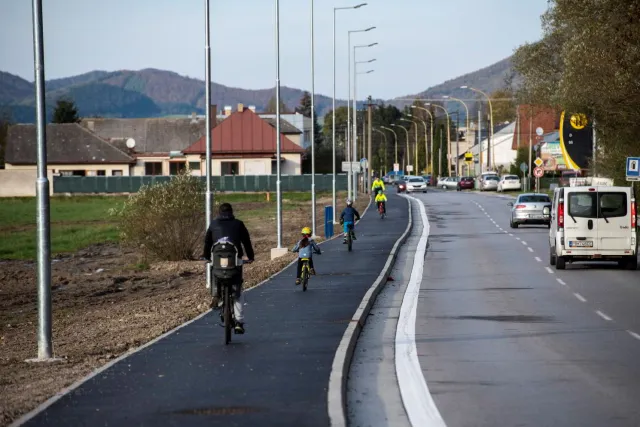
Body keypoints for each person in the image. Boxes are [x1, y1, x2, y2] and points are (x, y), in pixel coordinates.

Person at [203, 202, 255, 334]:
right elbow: (246, 241)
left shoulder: (214, 224)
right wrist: (250, 256)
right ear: (231, 212)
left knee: (214, 271)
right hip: (235, 261)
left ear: (219, 213)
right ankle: (239, 321)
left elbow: (207, 242)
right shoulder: (238, 224)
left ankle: (215, 294)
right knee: (237, 291)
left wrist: (206, 256)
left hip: (217, 260)